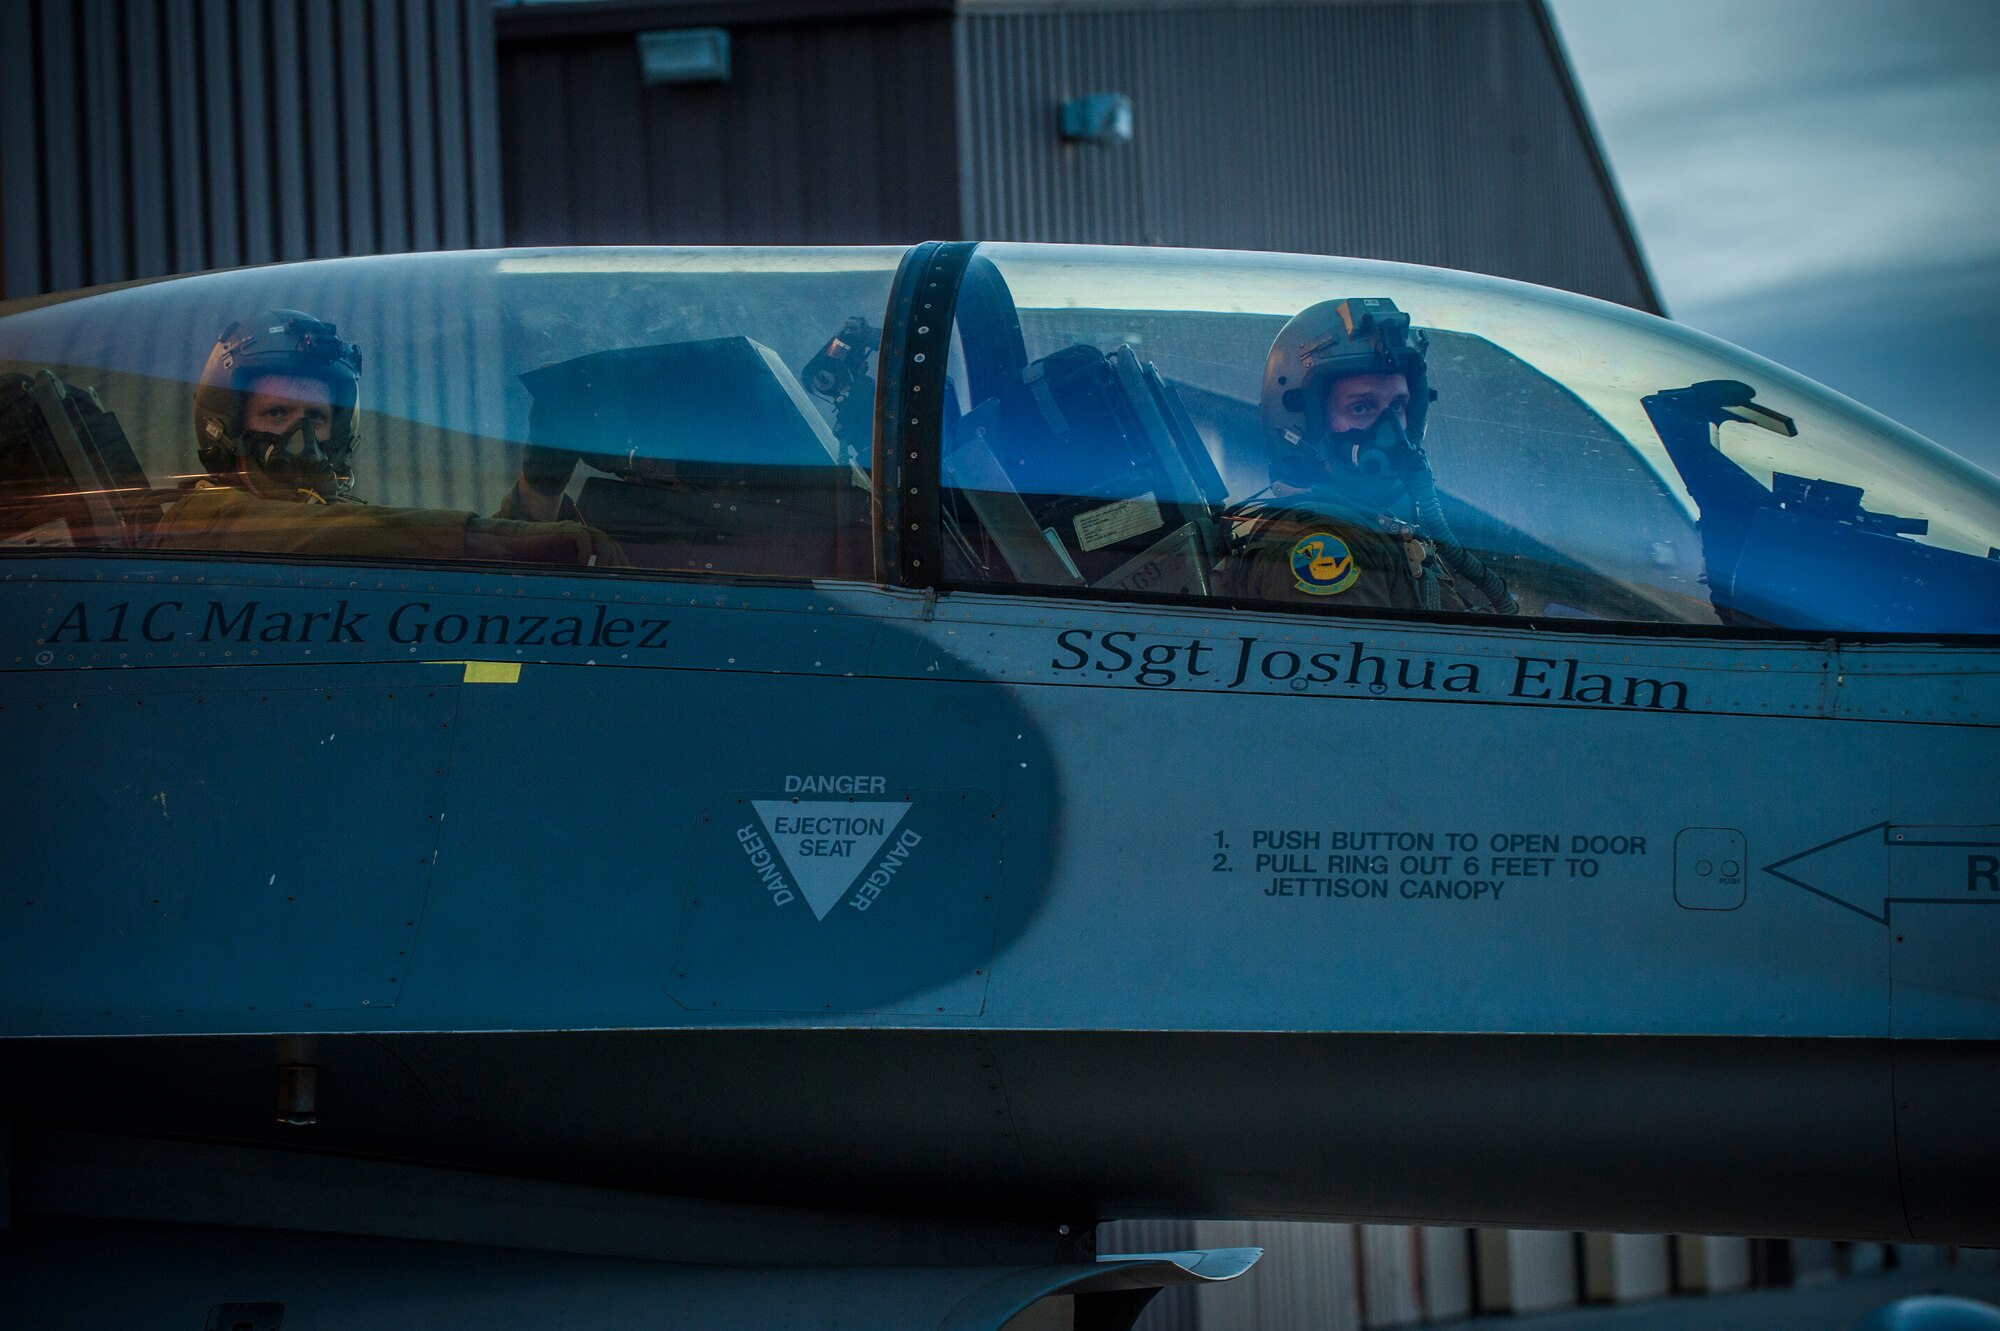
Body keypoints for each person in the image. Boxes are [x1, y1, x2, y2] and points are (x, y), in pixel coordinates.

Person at [156, 309, 618, 565]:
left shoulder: (352, 526)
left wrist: (541, 483)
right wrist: (507, 541)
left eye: (316, 417)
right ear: (227, 424)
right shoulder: (199, 521)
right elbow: (340, 537)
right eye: (277, 413)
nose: (302, 435)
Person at [1220, 297, 1515, 613]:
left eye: (1398, 406)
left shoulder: (1377, 527)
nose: (1392, 431)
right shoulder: (1321, 543)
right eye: (1361, 408)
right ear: (1301, 425)